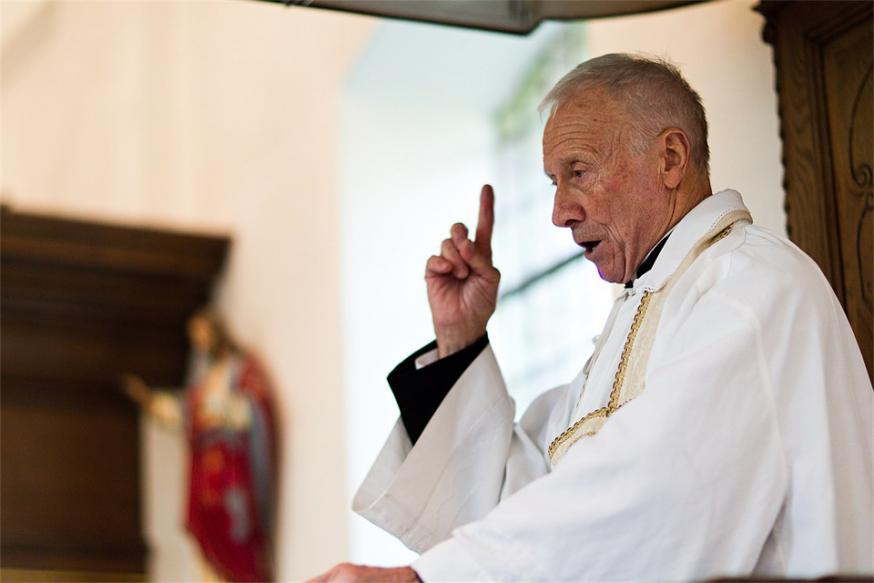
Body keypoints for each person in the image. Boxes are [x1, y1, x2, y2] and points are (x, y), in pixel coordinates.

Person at [312, 54, 873, 582]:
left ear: (670, 159)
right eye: (554, 183)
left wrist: (429, 578)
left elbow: (657, 497)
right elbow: (518, 499)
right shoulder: (638, 314)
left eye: (577, 172)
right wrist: (459, 342)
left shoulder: (749, 286)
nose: (560, 213)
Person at [123, 308, 277, 583]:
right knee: (207, 544)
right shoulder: (204, 382)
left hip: (231, 472)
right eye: (197, 339)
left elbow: (254, 408)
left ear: (216, 331)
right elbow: (184, 414)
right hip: (206, 476)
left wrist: (222, 410)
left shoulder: (240, 369)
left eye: (203, 334)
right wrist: (152, 403)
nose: (201, 343)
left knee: (236, 538)